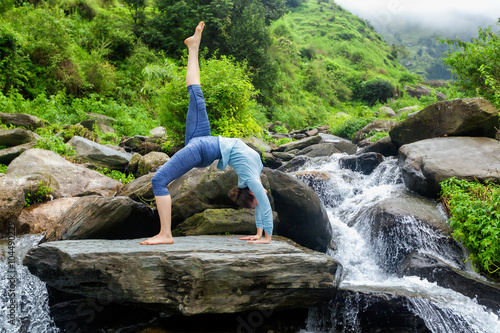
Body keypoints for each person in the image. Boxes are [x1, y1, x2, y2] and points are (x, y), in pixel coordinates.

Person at [140, 22, 273, 245]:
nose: (261, 196)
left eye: (255, 201)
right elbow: (263, 204)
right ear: (250, 193)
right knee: (195, 92)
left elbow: (260, 203)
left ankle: (166, 234)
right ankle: (193, 47)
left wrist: (263, 234)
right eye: (256, 200)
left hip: (203, 149)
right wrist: (263, 236)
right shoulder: (251, 176)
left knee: (159, 180)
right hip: (203, 140)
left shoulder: (250, 177)